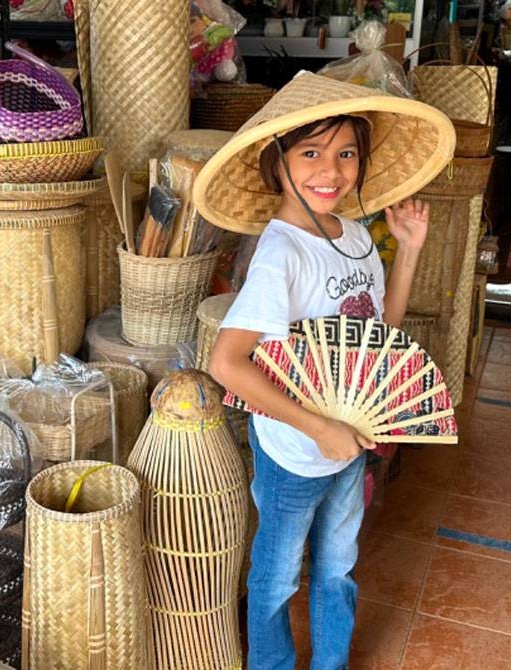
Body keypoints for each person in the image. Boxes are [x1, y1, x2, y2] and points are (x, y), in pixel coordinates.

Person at [191, 72, 456, 670]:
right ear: (277, 163)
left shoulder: (358, 236)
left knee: (337, 568)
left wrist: (407, 248)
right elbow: (227, 363)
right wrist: (318, 428)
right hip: (293, 451)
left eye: (346, 154)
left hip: (350, 445)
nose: (329, 171)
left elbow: (375, 333)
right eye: (310, 152)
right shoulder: (280, 252)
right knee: (278, 576)